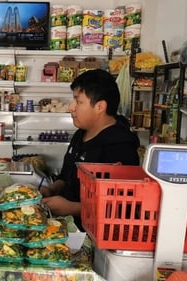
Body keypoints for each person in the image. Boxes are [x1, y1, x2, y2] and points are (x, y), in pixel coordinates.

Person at [40, 68, 140, 227]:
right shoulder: (81, 134)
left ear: (100, 107)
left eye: (78, 101)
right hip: (69, 227)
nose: (71, 107)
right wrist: (52, 189)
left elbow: (121, 206)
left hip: (96, 234)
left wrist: (72, 208)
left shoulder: (120, 145)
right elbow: (67, 176)